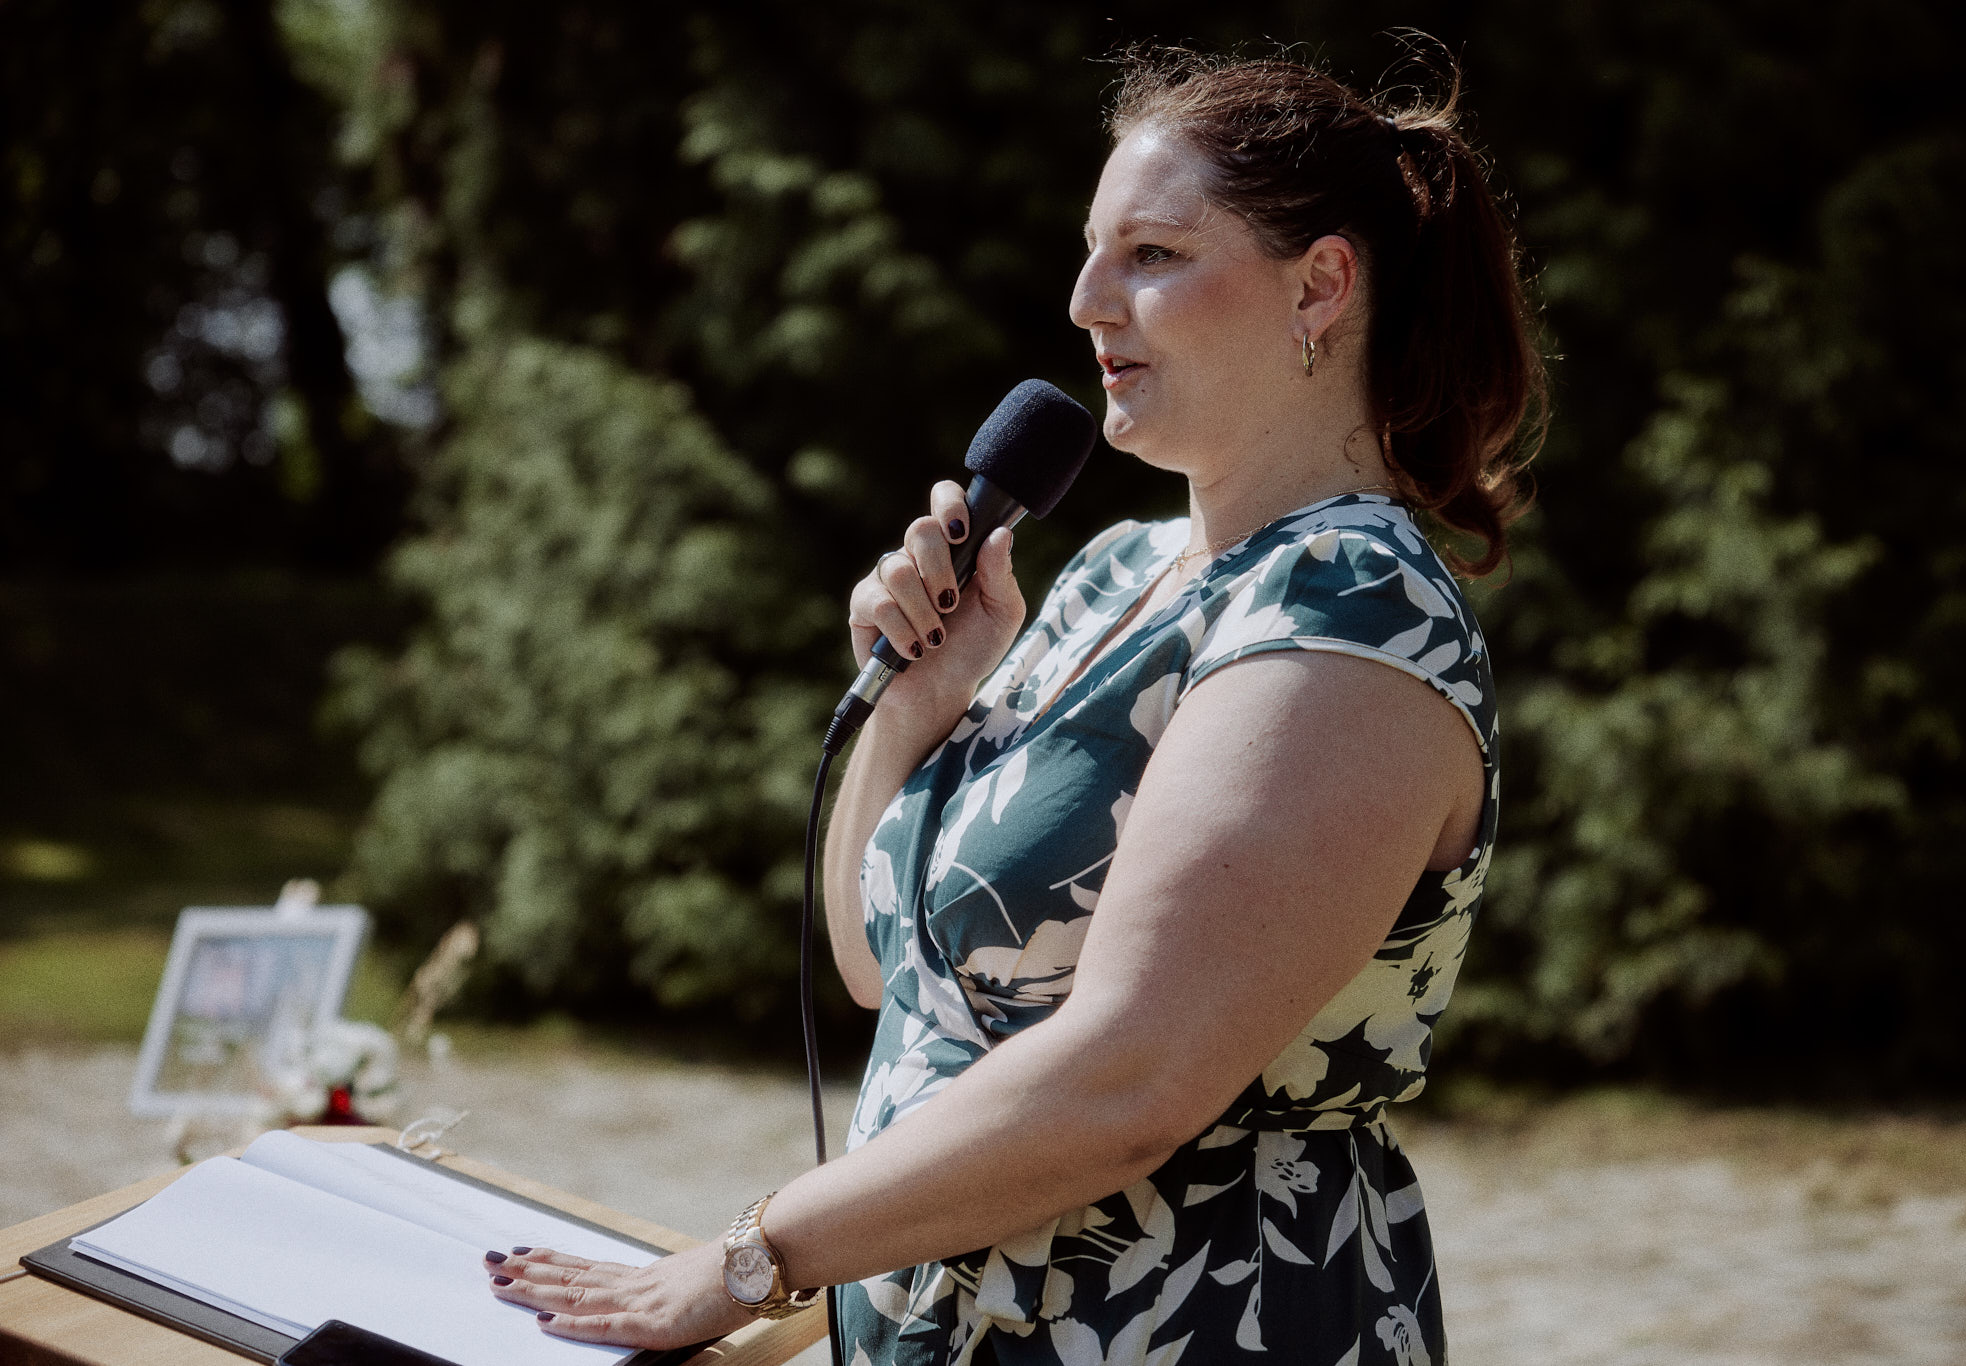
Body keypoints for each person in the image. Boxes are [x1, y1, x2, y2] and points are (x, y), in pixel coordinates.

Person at [481, 50, 1543, 1366]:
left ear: (1321, 284)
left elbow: (1130, 1083)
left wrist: (753, 1253)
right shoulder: (1111, 573)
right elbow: (887, 972)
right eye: (1094, 252)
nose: (1088, 300)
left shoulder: (1347, 604)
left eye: (1151, 253)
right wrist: (919, 703)